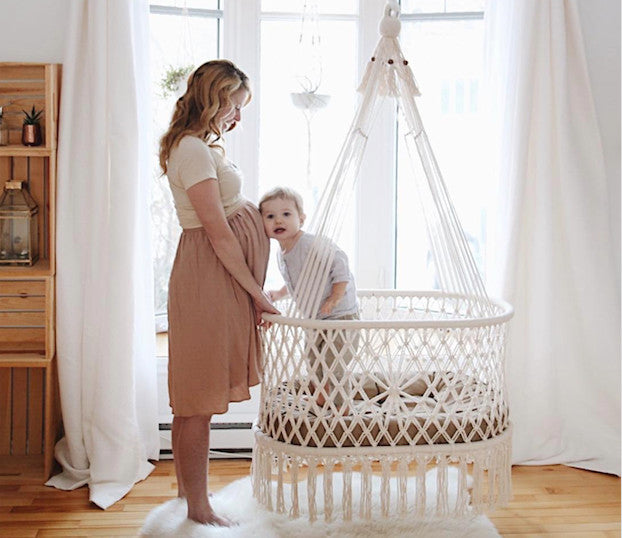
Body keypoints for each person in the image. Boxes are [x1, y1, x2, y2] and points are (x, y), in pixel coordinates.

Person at [158, 60, 278, 526]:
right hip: (209, 277)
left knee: (195, 400)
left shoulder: (201, 145)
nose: (238, 117)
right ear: (215, 97)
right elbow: (219, 234)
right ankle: (198, 507)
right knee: (197, 400)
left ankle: (190, 498)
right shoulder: (191, 149)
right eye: (235, 105)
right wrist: (255, 293)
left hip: (215, 276)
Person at [259, 186, 359, 413]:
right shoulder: (281, 253)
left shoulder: (308, 243)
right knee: (315, 363)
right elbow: (299, 280)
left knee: (334, 365)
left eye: (286, 214)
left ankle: (342, 410)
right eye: (270, 216)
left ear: (301, 219)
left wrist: (335, 297)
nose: (278, 221)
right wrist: (280, 293)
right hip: (315, 319)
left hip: (341, 316)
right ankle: (323, 402)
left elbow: (340, 263)